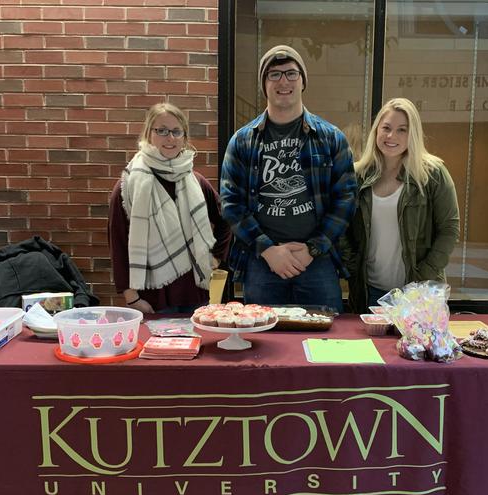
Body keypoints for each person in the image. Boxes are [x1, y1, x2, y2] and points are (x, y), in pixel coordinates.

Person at [220, 45, 356, 312]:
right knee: (266, 344)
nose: (284, 81)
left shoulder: (331, 138)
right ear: (264, 84)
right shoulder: (243, 141)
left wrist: (312, 250)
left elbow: (347, 199)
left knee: (326, 342)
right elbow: (230, 203)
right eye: (274, 75)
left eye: (291, 74)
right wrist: (269, 250)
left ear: (303, 81)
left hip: (317, 261)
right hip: (262, 262)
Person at [108, 102, 231, 314]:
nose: (170, 138)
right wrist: (131, 298)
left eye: (176, 131)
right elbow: (118, 243)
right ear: (149, 134)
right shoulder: (128, 186)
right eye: (162, 131)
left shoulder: (197, 182)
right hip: (151, 298)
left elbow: (226, 220)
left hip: (196, 294)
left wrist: (217, 257)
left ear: (184, 137)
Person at [344, 97, 460, 313]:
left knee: (416, 348)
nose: (391, 136)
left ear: (413, 134)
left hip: (419, 293)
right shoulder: (357, 175)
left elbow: (449, 230)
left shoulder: (432, 174)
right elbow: (343, 227)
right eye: (386, 128)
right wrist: (352, 267)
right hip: (369, 292)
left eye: (402, 130)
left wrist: (421, 278)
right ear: (376, 130)